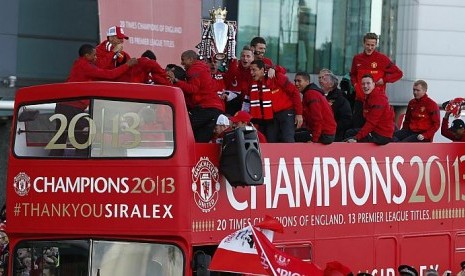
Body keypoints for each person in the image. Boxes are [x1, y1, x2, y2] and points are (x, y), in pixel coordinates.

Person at [50, 44, 137, 156]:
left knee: (60, 140)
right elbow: (109, 74)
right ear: (87, 55)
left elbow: (102, 65)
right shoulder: (85, 66)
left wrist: (113, 52)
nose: (96, 57)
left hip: (64, 106)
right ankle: (81, 165)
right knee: (83, 138)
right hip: (73, 108)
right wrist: (127, 65)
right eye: (94, 55)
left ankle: (55, 165)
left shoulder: (81, 64)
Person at [166, 50, 225, 142]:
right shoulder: (202, 68)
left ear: (190, 59)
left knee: (182, 128)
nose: (181, 63)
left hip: (206, 108)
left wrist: (176, 81)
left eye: (183, 60)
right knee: (200, 139)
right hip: (214, 108)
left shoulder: (194, 69)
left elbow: (193, 89)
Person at [350, 32, 403, 128]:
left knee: (375, 127)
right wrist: (355, 85)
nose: (370, 48)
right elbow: (353, 74)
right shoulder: (357, 59)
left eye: (372, 45)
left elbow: (398, 73)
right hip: (360, 100)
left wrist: (384, 80)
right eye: (368, 45)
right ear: (364, 44)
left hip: (376, 101)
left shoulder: (382, 59)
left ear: (376, 45)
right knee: (357, 127)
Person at [246, 59, 303, 142]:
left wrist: (299, 114)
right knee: (270, 140)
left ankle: (291, 154)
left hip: (286, 113)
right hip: (270, 116)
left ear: (262, 70)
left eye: (254, 70)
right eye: (250, 70)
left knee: (288, 139)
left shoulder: (276, 76)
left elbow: (294, 92)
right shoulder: (255, 84)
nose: (251, 73)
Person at [345, 74, 394, 145]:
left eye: (368, 83)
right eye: (363, 84)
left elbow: (372, 123)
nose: (365, 86)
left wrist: (357, 138)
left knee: (349, 139)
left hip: (381, 135)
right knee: (349, 133)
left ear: (374, 84)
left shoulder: (378, 98)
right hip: (375, 131)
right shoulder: (368, 97)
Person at [295, 72, 336, 144]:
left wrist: (314, 140)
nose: (296, 84)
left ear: (307, 82)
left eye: (299, 81)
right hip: (327, 132)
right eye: (295, 81)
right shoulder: (312, 92)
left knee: (290, 137)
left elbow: (318, 118)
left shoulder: (310, 94)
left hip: (324, 134)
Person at [318, 69, 353, 141]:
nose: (320, 80)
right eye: (319, 78)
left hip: (334, 136)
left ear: (331, 83)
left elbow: (346, 119)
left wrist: (332, 127)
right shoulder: (319, 94)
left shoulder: (340, 97)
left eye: (324, 78)